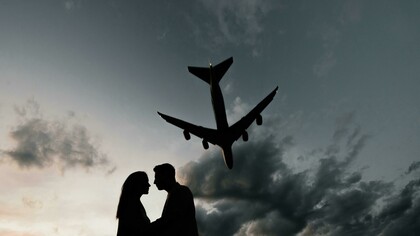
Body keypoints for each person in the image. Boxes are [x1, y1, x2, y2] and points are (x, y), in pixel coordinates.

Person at [151, 163, 199, 236]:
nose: (154, 182)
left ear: (166, 176)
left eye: (157, 177)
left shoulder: (181, 191)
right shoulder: (174, 193)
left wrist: (147, 228)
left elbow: (170, 220)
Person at [116, 171, 151, 236]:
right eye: (146, 181)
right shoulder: (131, 206)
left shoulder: (135, 204)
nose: (149, 185)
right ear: (138, 184)